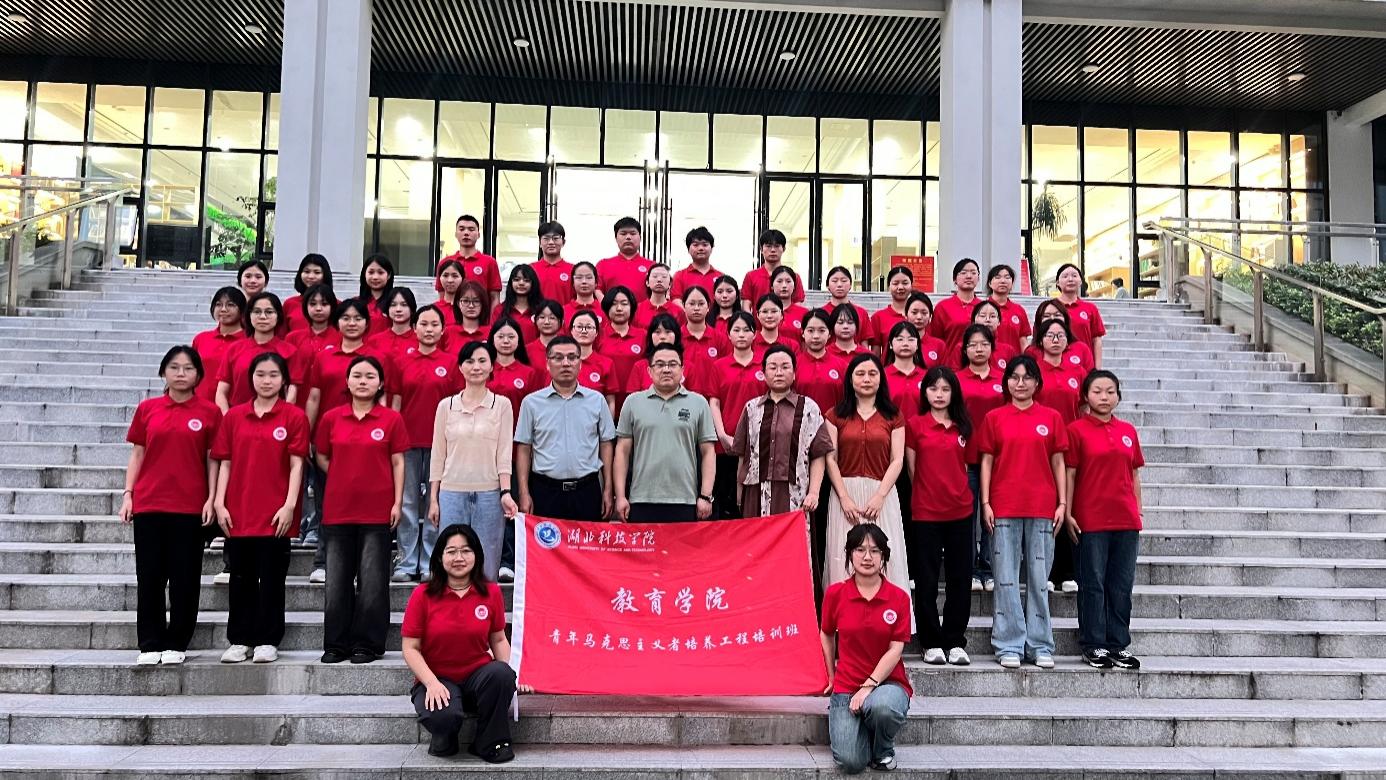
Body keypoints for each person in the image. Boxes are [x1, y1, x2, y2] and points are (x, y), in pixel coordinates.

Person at [121, 346, 220, 666]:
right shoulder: (148, 408)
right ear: (163, 372)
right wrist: (128, 494)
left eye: (188, 368)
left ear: (198, 375)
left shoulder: (209, 412)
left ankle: (177, 640)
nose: (181, 373)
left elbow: (212, 459)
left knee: (185, 578)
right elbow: (137, 453)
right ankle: (150, 643)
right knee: (149, 576)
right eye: (174, 367)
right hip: (150, 504)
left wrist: (212, 498)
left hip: (189, 506)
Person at [212, 352, 307, 665]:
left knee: (272, 579)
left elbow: (296, 465)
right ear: (250, 378)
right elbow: (225, 462)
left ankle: (267, 640)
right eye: (260, 375)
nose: (267, 381)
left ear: (284, 380)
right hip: (238, 510)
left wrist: (290, 505)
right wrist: (219, 502)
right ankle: (239, 639)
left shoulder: (293, 417)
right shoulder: (234, 416)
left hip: (275, 513)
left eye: (273, 375)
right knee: (240, 578)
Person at [315, 355, 409, 665]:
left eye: (370, 376)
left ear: (380, 383)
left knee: (372, 581)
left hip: (377, 510)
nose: (363, 381)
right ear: (347, 381)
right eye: (357, 375)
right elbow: (322, 457)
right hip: (338, 509)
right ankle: (336, 644)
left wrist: (397, 502)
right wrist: (344, 475)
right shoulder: (332, 418)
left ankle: (367, 644)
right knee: (336, 581)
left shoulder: (390, 419)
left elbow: (398, 462)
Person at [978, 355, 1069, 670]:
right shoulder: (994, 418)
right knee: (1005, 579)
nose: (1020, 383)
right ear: (1006, 382)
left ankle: (1040, 643)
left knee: (1039, 579)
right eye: (1014, 377)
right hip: (1004, 505)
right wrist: (986, 502)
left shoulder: (1052, 417)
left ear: (1037, 383)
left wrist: (1062, 502)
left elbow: (1058, 461)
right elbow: (986, 461)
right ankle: (1008, 644)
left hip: (1042, 506)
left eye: (1027, 377)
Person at [401, 524, 520, 763]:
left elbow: (498, 638)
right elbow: (410, 648)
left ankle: (489, 742)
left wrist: (510, 678)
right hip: (437, 678)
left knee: (501, 674)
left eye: (466, 551)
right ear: (439, 557)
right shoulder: (423, 595)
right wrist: (431, 683)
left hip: (477, 676)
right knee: (442, 718)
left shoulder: (491, 592)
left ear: (477, 556)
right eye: (451, 551)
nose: (459, 558)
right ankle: (445, 735)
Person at [1065, 370, 1144, 670]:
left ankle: (1118, 644)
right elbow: (1070, 473)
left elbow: (1134, 473)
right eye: (1097, 391)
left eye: (1110, 391)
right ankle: (1093, 643)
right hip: (1091, 519)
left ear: (1118, 397)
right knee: (1092, 584)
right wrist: (1068, 511)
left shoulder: (1128, 431)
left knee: (1121, 586)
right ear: (1086, 396)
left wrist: (1138, 509)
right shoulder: (1076, 430)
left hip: (1125, 519)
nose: (1104, 397)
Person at [820, 523, 912, 775]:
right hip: (846, 686)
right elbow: (826, 632)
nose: (867, 557)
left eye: (875, 551)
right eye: (860, 550)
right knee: (850, 761)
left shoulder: (899, 598)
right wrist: (831, 675)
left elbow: (895, 650)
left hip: (888, 685)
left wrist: (868, 687)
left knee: (882, 707)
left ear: (884, 556)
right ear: (850, 554)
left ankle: (883, 748)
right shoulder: (836, 594)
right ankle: (863, 730)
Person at [823, 355, 910, 605]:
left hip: (881, 493)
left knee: (885, 554)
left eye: (872, 373)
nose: (866, 379)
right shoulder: (835, 415)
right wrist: (844, 498)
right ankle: (843, 616)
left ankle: (889, 616)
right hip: (845, 493)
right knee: (843, 556)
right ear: (850, 379)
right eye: (860, 374)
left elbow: (897, 460)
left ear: (881, 379)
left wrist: (880, 495)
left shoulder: (893, 415)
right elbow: (830, 459)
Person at [904, 366, 975, 666]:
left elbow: (967, 467)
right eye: (934, 388)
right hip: (926, 512)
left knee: (960, 578)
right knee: (927, 579)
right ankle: (931, 641)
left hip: (961, 510)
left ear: (954, 392)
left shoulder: (963, 427)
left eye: (945, 389)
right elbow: (912, 470)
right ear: (925, 392)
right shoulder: (915, 425)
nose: (939, 394)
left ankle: (955, 640)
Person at [428, 342, 518, 580]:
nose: (476, 367)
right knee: (452, 561)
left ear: (491, 367)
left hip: (489, 494)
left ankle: (485, 604)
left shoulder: (502, 405)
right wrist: (434, 499)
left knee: (487, 563)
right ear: (460, 367)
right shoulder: (446, 406)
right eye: (469, 361)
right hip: (451, 493)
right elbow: (438, 455)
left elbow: (504, 453)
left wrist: (505, 492)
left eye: (482, 361)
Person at [392, 305, 461, 583]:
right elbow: (395, 404)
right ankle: (406, 562)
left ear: (443, 330)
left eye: (435, 325)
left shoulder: (452, 363)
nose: (429, 329)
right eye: (424, 324)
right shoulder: (401, 361)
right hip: (407, 442)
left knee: (437, 504)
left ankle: (432, 562)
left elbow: (457, 405)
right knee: (408, 503)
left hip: (441, 445)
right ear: (415, 328)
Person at [613, 343, 718, 522]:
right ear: (649, 370)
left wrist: (705, 495)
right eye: (660, 364)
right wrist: (621, 496)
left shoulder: (698, 403)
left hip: (685, 499)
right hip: (641, 498)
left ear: (682, 369)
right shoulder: (633, 402)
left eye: (673, 364)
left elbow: (708, 452)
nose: (666, 369)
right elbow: (622, 451)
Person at [515, 337, 616, 522]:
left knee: (586, 541)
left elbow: (606, 444)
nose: (566, 363)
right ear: (547, 364)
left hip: (587, 490)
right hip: (545, 491)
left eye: (572, 357)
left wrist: (608, 488)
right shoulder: (531, 403)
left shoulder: (597, 400)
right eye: (558, 358)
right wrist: (523, 492)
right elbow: (524, 449)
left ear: (580, 363)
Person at [730, 345, 833, 517]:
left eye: (785, 367)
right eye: (773, 367)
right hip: (756, 494)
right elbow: (743, 455)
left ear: (794, 374)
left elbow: (818, 454)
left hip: (795, 495)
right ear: (763, 373)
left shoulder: (809, 408)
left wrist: (814, 492)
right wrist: (739, 493)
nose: (779, 373)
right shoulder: (751, 408)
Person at [957, 324, 1007, 593]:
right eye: (973, 345)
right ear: (965, 349)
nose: (979, 349)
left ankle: (987, 566)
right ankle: (970, 569)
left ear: (992, 348)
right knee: (968, 516)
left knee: (992, 516)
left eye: (984, 344)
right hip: (965, 459)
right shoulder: (956, 380)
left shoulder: (1004, 379)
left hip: (997, 460)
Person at [303, 298, 395, 430]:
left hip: (366, 430)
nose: (352, 323)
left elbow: (382, 399)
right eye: (345, 318)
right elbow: (314, 398)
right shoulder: (323, 357)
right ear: (337, 322)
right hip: (328, 429)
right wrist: (307, 433)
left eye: (358, 319)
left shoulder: (378, 358)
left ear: (366, 323)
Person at [708, 311, 765, 520]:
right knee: (724, 500)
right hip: (726, 444)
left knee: (753, 503)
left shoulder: (764, 364)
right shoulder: (719, 366)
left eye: (746, 330)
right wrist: (722, 435)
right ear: (728, 334)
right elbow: (714, 402)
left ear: (755, 334)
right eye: (736, 330)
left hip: (759, 443)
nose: (741, 335)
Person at [215, 292, 306, 412]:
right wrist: (228, 417)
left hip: (275, 418)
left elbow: (292, 393)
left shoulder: (289, 351)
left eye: (269, 312)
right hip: (237, 416)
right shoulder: (234, 349)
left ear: (278, 316)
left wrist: (282, 416)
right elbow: (221, 392)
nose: (263, 317)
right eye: (257, 312)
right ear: (249, 315)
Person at [191, 287, 246, 404]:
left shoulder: (249, 341)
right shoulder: (201, 339)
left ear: (242, 309)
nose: (223, 309)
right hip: (201, 404)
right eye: (218, 304)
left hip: (234, 407)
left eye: (230, 305)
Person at [488, 317, 545, 421]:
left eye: (511, 337)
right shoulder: (483, 370)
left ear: (519, 340)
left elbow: (534, 408)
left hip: (517, 430)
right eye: (500, 336)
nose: (506, 341)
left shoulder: (529, 373)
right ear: (492, 340)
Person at [795, 308, 848, 415]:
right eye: (810, 331)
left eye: (821, 330)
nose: (816, 336)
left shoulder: (842, 366)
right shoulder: (793, 364)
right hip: (800, 423)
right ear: (802, 333)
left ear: (829, 334)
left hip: (834, 423)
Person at [441, 214, 502, 306]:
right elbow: (442, 297)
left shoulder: (489, 262)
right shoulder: (445, 262)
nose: (466, 233)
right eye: (462, 229)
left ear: (478, 235)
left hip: (480, 314)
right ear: (456, 234)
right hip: (451, 315)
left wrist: (492, 316)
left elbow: (495, 298)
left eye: (471, 229)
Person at [568, 309, 618, 418]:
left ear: (596, 333)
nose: (584, 331)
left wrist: (607, 426)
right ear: (571, 330)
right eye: (579, 327)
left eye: (589, 327)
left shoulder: (606, 363)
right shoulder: (562, 362)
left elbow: (610, 402)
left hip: (595, 422)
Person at [1055, 263, 1107, 367]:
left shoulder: (1090, 308)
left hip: (1084, 365)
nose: (1070, 279)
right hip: (1057, 365)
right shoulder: (1050, 307)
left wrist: (1097, 369)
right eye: (1065, 276)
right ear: (1057, 283)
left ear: (1080, 281)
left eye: (1074, 276)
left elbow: (1097, 340)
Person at [929, 258, 981, 358]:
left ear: (978, 278)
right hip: (951, 362)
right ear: (954, 279)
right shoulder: (943, 307)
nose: (969, 276)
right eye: (963, 273)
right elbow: (935, 340)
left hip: (979, 362)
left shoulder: (984, 307)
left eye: (973, 273)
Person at [1026, 300, 1095, 374]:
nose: (1052, 318)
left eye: (1057, 315)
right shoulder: (1031, 352)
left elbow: (1091, 377)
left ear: (1065, 319)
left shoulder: (1081, 349)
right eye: (1046, 316)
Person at [742, 229, 805, 309]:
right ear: (761, 249)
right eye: (768, 246)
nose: (772, 250)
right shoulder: (751, 276)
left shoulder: (794, 277)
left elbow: (798, 306)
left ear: (784, 249)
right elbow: (746, 305)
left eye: (777, 246)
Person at [679, 285, 731, 377]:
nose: (696, 308)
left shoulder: (720, 339)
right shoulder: (676, 337)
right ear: (683, 306)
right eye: (692, 304)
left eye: (701, 304)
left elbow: (726, 371)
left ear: (708, 306)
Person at [597, 216, 652, 301]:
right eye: (623, 233)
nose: (628, 237)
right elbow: (597, 289)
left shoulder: (652, 266)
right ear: (616, 238)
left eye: (633, 233)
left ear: (640, 237)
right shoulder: (603, 265)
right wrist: (608, 305)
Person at [285, 284, 342, 363]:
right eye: (313, 304)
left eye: (324, 304)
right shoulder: (292, 338)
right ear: (305, 307)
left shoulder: (341, 338)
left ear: (332, 307)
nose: (318, 309)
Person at [822, 266, 875, 345]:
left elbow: (864, 344)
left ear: (850, 285)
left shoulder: (861, 313)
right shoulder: (821, 313)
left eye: (844, 281)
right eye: (834, 281)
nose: (839, 285)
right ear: (827, 285)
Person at [883, 321, 926, 420]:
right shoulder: (881, 375)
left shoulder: (927, 376)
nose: (905, 344)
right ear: (890, 344)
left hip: (921, 429)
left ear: (917, 345)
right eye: (900, 339)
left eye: (911, 339)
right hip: (890, 428)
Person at [492, 264, 543, 343]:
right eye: (516, 279)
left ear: (533, 283)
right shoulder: (500, 310)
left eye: (526, 280)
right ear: (511, 283)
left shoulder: (541, 310)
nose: (521, 283)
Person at [283, 253, 333, 333]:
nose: (311, 276)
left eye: (317, 272)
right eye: (307, 271)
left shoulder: (336, 304)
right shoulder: (289, 304)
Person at [987, 264, 1031, 353]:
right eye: (998, 277)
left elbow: (1023, 341)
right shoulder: (982, 309)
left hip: (1014, 360)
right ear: (990, 283)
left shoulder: (1019, 310)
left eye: (1007, 277)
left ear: (1012, 283)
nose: (1003, 281)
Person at [367, 287, 419, 360]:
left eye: (404, 305)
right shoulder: (374, 341)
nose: (398, 309)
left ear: (412, 309)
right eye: (393, 305)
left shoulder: (420, 340)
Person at [531, 220, 574, 306]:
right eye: (546, 238)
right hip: (536, 314)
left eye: (555, 238)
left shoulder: (573, 270)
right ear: (540, 243)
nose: (551, 242)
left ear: (563, 242)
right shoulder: (531, 269)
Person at [870, 266, 914, 349]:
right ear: (888, 286)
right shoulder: (878, 317)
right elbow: (875, 352)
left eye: (905, 283)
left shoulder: (919, 316)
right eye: (895, 283)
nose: (900, 287)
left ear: (911, 285)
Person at [970, 299, 1019, 373]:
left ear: (999, 321)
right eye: (982, 316)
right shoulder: (962, 348)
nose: (987, 320)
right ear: (974, 320)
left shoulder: (1008, 351)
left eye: (992, 316)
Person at [672, 226, 720, 298]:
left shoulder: (720, 277)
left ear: (712, 248)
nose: (700, 248)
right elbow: (676, 300)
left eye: (705, 244)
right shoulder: (679, 276)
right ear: (688, 249)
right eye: (695, 245)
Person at [904, 292, 947, 368]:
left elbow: (944, 373)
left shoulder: (939, 345)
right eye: (914, 312)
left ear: (930, 316)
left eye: (924, 313)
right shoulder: (898, 342)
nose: (919, 317)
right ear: (906, 314)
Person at [634, 264, 684, 329]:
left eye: (664, 276)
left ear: (670, 284)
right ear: (647, 282)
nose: (659, 280)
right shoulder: (637, 309)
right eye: (655, 276)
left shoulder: (678, 311)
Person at [358, 253, 395, 335]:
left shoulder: (395, 303)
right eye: (371, 272)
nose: (375, 277)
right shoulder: (355, 303)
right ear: (364, 274)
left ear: (389, 275)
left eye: (380, 273)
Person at [562, 261, 603, 329]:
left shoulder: (604, 310)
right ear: (573, 283)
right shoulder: (563, 311)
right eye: (579, 277)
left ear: (596, 282)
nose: (584, 281)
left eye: (589, 277)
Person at [771, 265, 810, 335]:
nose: (784, 285)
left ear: (794, 286)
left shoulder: (804, 313)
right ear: (772, 286)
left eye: (788, 281)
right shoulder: (765, 312)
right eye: (779, 281)